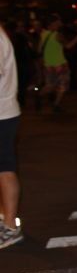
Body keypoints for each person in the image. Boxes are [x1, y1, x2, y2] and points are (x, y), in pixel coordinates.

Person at [0, 22, 21, 249]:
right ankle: (5, 219)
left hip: (2, 114)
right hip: (4, 111)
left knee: (4, 169)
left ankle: (10, 226)